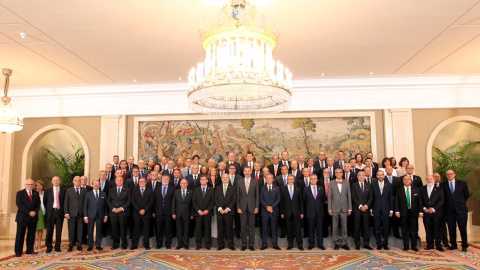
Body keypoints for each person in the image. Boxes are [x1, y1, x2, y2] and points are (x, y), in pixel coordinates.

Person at [441, 169, 470, 252]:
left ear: (454, 174)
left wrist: (460, 202)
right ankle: (453, 245)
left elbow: (466, 194)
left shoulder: (462, 183)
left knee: (462, 228)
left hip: (461, 210)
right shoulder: (443, 185)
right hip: (449, 211)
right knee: (451, 228)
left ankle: (464, 245)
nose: (449, 175)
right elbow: (443, 197)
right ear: (446, 176)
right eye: (448, 174)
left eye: (451, 174)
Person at [395, 175, 423, 252]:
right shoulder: (399, 190)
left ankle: (414, 246)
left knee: (414, 230)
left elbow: (420, 202)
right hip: (403, 213)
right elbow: (396, 202)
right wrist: (397, 211)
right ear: (403, 181)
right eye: (405, 179)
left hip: (413, 213)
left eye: (408, 179)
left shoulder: (416, 190)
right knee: (404, 230)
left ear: (411, 181)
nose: (406, 181)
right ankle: (406, 246)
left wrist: (421, 212)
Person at [14, 179, 40, 257]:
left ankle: (30, 250)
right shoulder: (20, 193)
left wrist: (34, 212)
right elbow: (19, 204)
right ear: (25, 185)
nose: (30, 186)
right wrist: (29, 212)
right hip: (22, 217)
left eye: (32, 184)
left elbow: (38, 204)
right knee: (20, 234)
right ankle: (18, 251)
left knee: (31, 234)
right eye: (29, 184)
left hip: (33, 217)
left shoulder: (36, 193)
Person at [328, 168, 351, 250]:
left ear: (342, 174)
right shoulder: (331, 183)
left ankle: (345, 242)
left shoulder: (346, 182)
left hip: (344, 208)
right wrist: (329, 209)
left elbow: (349, 196)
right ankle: (336, 243)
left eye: (340, 172)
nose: (338, 173)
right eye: (336, 172)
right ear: (334, 174)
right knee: (335, 227)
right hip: (334, 208)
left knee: (344, 226)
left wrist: (350, 208)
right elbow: (329, 197)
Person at [237, 166, 259, 251]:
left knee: (251, 226)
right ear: (243, 172)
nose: (247, 172)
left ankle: (251, 245)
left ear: (251, 172)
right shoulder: (239, 182)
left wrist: (257, 207)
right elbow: (237, 196)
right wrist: (238, 207)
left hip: (252, 207)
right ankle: (243, 244)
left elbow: (257, 196)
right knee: (243, 226)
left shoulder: (255, 182)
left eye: (248, 171)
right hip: (242, 207)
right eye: (245, 171)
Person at [421, 175, 444, 252]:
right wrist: (424, 208)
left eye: (431, 179)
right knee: (428, 229)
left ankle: (438, 245)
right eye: (427, 179)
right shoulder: (422, 189)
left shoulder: (439, 189)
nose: (429, 180)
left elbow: (441, 201)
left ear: (434, 180)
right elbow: (420, 201)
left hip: (436, 213)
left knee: (437, 229)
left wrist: (433, 209)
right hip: (426, 213)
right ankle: (429, 245)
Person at [107, 176, 132, 250]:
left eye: (121, 180)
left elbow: (129, 201)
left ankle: (124, 244)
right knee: (114, 229)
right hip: (113, 213)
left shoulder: (127, 189)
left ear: (123, 181)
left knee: (123, 229)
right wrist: (113, 209)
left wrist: (121, 208)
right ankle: (115, 244)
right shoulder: (111, 190)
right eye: (118, 180)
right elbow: (108, 201)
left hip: (123, 213)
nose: (119, 181)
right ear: (115, 181)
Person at [280, 174, 304, 250]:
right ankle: (290, 245)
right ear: (287, 180)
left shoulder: (298, 189)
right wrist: (282, 212)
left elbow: (301, 201)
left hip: (296, 212)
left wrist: (302, 212)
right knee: (289, 229)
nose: (290, 181)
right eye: (289, 179)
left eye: (291, 179)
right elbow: (281, 202)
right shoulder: (283, 189)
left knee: (298, 229)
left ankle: (300, 245)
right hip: (287, 212)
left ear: (294, 180)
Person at [371, 170, 393, 250]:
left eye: (381, 175)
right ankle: (379, 243)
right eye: (378, 175)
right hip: (376, 209)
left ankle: (385, 243)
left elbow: (391, 198)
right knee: (377, 226)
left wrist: (391, 210)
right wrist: (371, 209)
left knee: (386, 226)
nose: (380, 176)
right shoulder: (373, 185)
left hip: (386, 209)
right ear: (376, 176)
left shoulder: (389, 185)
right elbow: (371, 198)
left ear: (384, 176)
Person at [83, 180, 108, 251]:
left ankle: (98, 245)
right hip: (90, 215)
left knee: (99, 230)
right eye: (95, 184)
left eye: (97, 184)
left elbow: (105, 206)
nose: (96, 185)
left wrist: (106, 215)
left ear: (100, 185)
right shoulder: (88, 194)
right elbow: (85, 206)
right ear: (92, 185)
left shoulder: (103, 194)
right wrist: (85, 216)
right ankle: (90, 245)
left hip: (100, 215)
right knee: (90, 230)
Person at [351, 171, 373, 250]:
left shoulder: (368, 185)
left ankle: (366, 244)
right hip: (357, 209)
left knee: (366, 227)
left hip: (366, 210)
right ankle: (357, 244)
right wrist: (360, 206)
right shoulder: (354, 185)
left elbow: (371, 197)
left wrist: (366, 206)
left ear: (365, 176)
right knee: (356, 227)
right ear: (357, 177)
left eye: (363, 175)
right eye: (359, 175)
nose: (361, 176)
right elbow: (353, 197)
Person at [303, 174, 326, 250]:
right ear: (309, 180)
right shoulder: (306, 189)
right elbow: (304, 201)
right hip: (310, 213)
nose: (313, 180)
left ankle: (320, 244)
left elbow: (323, 200)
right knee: (310, 229)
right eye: (311, 179)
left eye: (314, 179)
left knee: (320, 229)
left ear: (317, 180)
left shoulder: (321, 188)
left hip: (319, 212)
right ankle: (311, 244)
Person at [64, 176, 86, 252]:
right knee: (71, 230)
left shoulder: (84, 190)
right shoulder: (68, 190)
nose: (77, 182)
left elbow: (85, 203)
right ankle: (71, 245)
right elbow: (66, 202)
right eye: (76, 180)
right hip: (71, 214)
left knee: (80, 230)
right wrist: (66, 213)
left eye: (79, 180)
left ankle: (79, 245)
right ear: (73, 181)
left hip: (81, 214)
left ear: (81, 182)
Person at [44, 176, 66, 253]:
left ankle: (57, 246)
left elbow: (65, 202)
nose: (56, 182)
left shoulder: (64, 190)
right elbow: (45, 202)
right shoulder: (47, 191)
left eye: (57, 180)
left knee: (59, 231)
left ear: (60, 181)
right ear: (52, 182)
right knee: (49, 230)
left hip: (59, 212)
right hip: (51, 212)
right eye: (54, 180)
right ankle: (49, 247)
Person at [192, 175, 214, 249]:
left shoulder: (211, 189)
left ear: (207, 181)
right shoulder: (196, 190)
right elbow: (194, 202)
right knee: (198, 229)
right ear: (200, 181)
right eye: (202, 179)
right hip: (198, 213)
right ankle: (198, 244)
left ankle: (208, 244)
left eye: (205, 179)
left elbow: (213, 201)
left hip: (208, 212)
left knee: (208, 229)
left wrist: (208, 210)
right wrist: (198, 210)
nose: (203, 180)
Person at [259, 174, 281, 250]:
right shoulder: (262, 188)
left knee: (274, 229)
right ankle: (264, 244)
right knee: (264, 229)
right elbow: (261, 199)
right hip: (265, 211)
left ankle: (275, 244)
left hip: (274, 211)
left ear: (273, 179)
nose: (268, 179)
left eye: (270, 178)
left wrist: (272, 207)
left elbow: (278, 199)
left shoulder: (277, 188)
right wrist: (267, 207)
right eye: (267, 178)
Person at [131, 177, 153, 250]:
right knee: (136, 230)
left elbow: (151, 202)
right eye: (140, 182)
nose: (142, 183)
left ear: (146, 182)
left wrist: (144, 210)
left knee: (146, 230)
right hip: (137, 213)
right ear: (139, 183)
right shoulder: (134, 191)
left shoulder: (149, 191)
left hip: (146, 213)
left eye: (143, 181)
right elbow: (133, 202)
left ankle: (146, 245)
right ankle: (134, 245)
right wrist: (139, 210)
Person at [216, 173, 237, 250]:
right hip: (220, 211)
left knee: (229, 229)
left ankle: (231, 244)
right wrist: (220, 208)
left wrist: (228, 208)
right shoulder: (217, 188)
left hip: (229, 212)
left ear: (229, 179)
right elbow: (216, 199)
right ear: (221, 179)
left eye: (226, 177)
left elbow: (234, 199)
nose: (225, 179)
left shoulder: (233, 188)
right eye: (223, 177)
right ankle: (220, 244)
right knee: (220, 229)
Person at [154, 174, 175, 249]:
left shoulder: (172, 189)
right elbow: (154, 200)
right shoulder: (157, 188)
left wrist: (173, 212)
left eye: (167, 179)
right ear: (161, 179)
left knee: (168, 229)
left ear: (169, 180)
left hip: (168, 212)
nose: (165, 180)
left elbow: (173, 201)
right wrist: (154, 212)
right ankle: (159, 244)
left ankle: (168, 244)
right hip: (158, 212)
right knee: (159, 229)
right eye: (164, 178)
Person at [172, 179, 194, 250]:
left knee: (186, 230)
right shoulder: (176, 192)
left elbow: (192, 205)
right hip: (178, 214)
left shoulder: (191, 192)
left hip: (187, 214)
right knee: (179, 230)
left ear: (187, 184)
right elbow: (173, 203)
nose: (184, 184)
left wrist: (192, 214)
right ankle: (179, 244)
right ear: (180, 184)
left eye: (185, 183)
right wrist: (173, 213)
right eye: (182, 183)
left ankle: (186, 244)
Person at [433, 172, 450, 247]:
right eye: (435, 176)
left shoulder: (444, 185)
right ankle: (435, 241)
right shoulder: (429, 186)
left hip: (442, 209)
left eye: (438, 176)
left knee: (443, 226)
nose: (436, 178)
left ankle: (445, 241)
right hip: (432, 209)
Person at [34, 180, 46, 253]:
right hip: (36, 212)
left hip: (43, 212)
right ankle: (34, 246)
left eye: (40, 185)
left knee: (41, 230)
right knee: (35, 229)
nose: (39, 187)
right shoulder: (34, 193)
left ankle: (39, 245)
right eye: (38, 185)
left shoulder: (45, 193)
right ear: (35, 186)